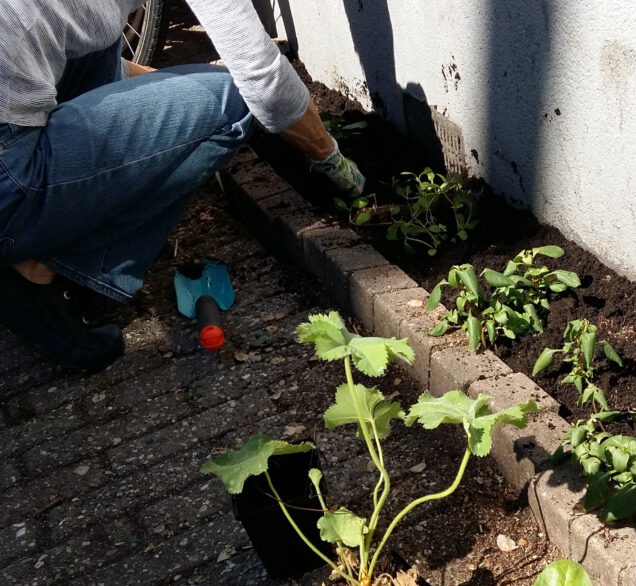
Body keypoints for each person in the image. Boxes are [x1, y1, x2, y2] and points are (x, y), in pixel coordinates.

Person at [0, 0, 364, 371]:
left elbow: (96, 59)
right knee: (232, 101)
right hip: (8, 178)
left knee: (98, 48)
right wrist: (329, 157)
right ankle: (49, 259)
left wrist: (171, 102)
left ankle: (38, 247)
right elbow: (262, 81)